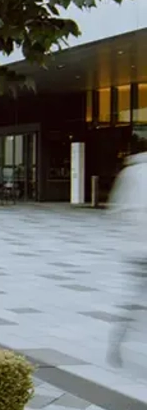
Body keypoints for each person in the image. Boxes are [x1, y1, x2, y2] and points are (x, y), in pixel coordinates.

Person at [107, 151, 147, 367]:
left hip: (135, 249)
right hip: (141, 248)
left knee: (133, 300)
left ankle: (117, 341)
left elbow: (115, 210)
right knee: (135, 300)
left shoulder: (130, 172)